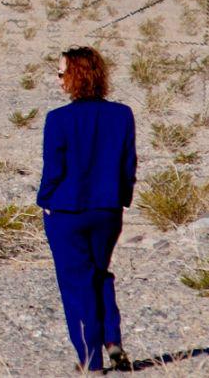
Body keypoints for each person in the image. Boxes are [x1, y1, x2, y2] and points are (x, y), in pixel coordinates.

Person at [37, 46, 136, 373]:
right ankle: (112, 338)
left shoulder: (58, 120)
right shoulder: (122, 115)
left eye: (62, 72)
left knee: (76, 283)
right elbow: (127, 166)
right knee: (98, 273)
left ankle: (90, 360)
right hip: (108, 211)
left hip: (67, 211)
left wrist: (45, 202)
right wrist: (120, 199)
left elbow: (54, 169)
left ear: (76, 76)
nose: (58, 79)